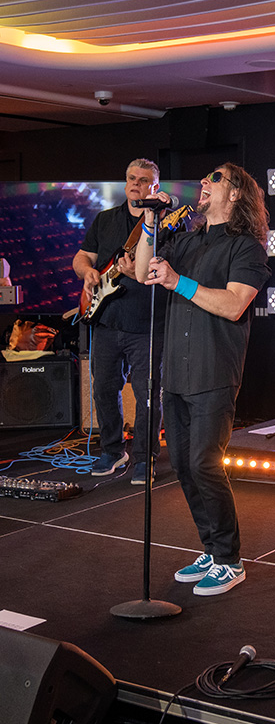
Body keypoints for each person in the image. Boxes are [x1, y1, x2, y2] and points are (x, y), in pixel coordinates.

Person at [136, 164, 270, 597]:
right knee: (181, 464)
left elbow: (234, 305)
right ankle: (211, 550)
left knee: (204, 463)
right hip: (175, 370)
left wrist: (179, 282)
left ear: (235, 195)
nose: (204, 184)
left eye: (215, 179)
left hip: (213, 371)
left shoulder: (246, 247)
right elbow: (141, 272)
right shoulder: (187, 240)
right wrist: (150, 222)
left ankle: (231, 560)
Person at [73, 158, 166, 484]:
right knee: (103, 389)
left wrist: (138, 273)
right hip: (107, 322)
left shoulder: (164, 224)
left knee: (147, 394)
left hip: (146, 324)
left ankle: (145, 456)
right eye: (131, 178)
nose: (135, 184)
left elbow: (169, 272)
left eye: (143, 180)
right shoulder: (105, 220)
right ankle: (113, 450)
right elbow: (83, 257)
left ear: (155, 186)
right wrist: (88, 272)